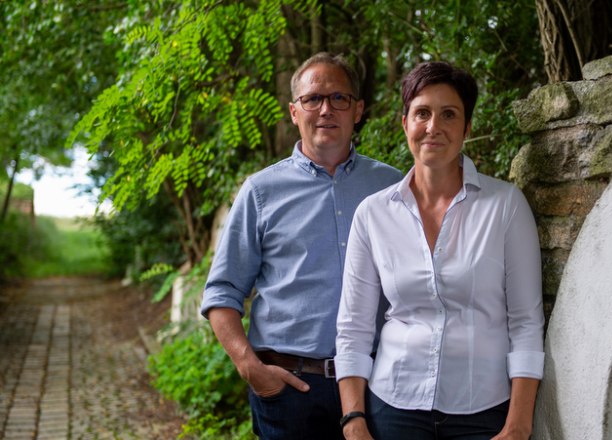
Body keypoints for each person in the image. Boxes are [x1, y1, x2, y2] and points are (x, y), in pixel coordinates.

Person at [335, 61, 545, 440]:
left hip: (484, 409)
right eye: (422, 113)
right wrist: (354, 419)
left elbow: (527, 323)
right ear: (405, 124)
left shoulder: (506, 206)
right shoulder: (372, 215)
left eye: (449, 114)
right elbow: (353, 327)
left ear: (466, 128)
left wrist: (518, 424)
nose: (433, 127)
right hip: (393, 406)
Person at [201, 52, 403, 440]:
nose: (325, 109)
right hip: (290, 391)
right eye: (313, 99)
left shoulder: (393, 187)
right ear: (295, 112)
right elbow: (221, 293)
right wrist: (251, 368)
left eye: (338, 98)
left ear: (358, 110)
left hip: (377, 385)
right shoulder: (261, 192)